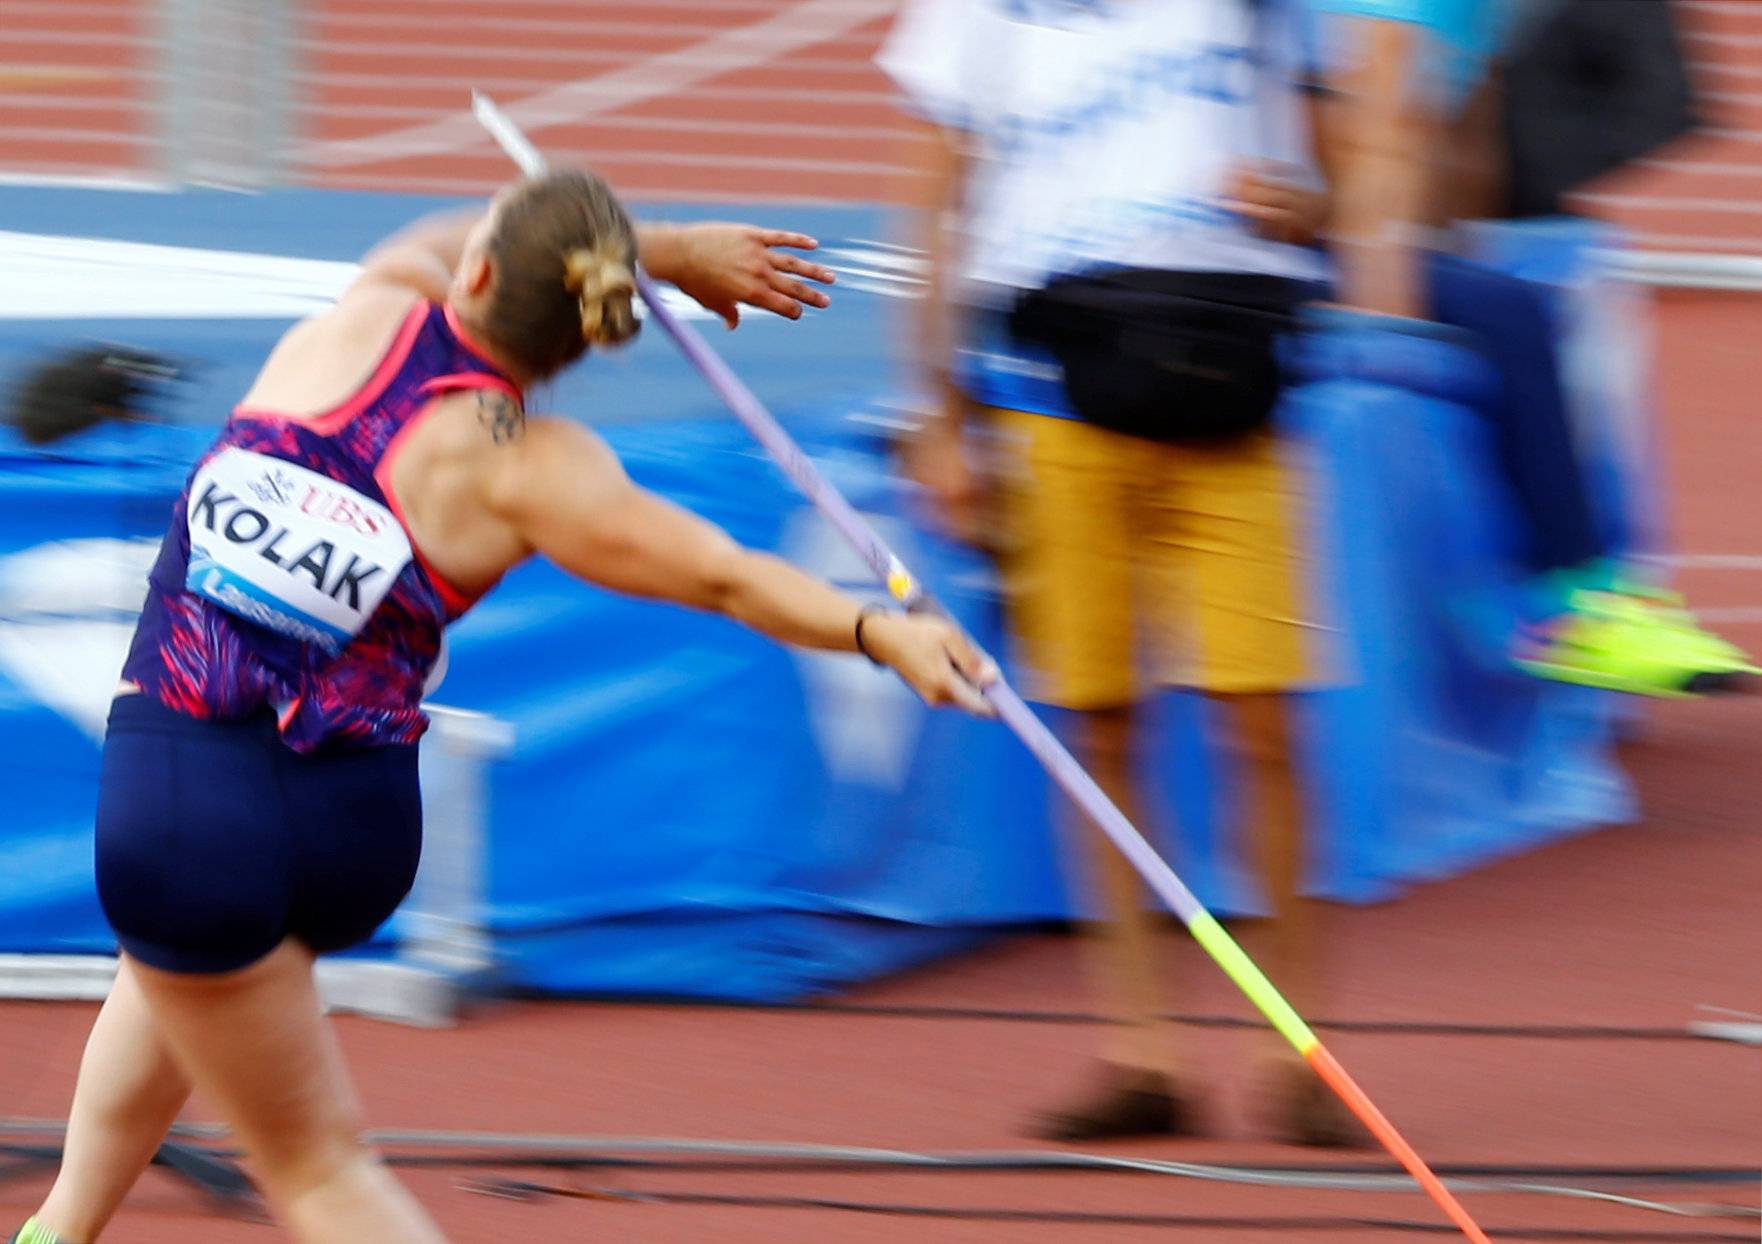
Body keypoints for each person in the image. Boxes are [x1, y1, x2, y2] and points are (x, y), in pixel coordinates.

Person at [9, 168, 994, 1244]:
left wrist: (663, 243)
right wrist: (884, 629)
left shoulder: (368, 319)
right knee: (177, 978)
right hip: (351, 820)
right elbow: (725, 575)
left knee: (320, 1166)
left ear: (476, 271)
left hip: (193, 798)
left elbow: (447, 231)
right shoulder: (537, 467)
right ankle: (61, 1228)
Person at [878, 0, 1361, 1145]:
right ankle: (1142, 1050)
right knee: (1098, 731)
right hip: (1056, 391)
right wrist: (936, 412)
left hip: (1231, 390)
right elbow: (936, 190)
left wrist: (1308, 207)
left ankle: (1296, 1052)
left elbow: (1335, 181)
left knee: (1266, 721)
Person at [1310, 0, 1754, 695]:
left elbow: (1465, 141)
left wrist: (1451, 248)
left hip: (1338, 214)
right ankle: (1571, 606)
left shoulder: (1485, 16)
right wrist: (1380, 317)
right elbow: (1372, 132)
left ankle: (1600, 585)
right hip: (1271, 234)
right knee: (1512, 315)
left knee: (1538, 293)